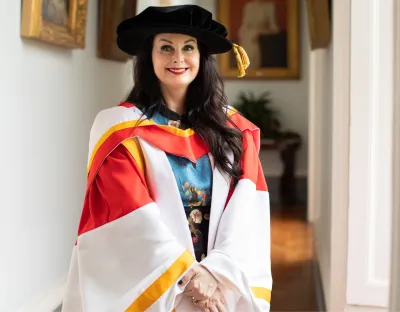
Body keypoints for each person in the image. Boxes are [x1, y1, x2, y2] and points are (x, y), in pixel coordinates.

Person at [62, 5, 272, 312]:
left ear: (202, 57)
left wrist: (215, 272)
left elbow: (246, 212)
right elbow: (128, 215)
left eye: (188, 47)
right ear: (150, 57)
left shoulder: (233, 131)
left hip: (218, 287)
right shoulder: (120, 130)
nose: (178, 58)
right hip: (159, 283)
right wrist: (190, 274)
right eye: (166, 48)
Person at [238, 0, 280, 68]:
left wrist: (260, 32)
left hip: (261, 36)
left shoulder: (270, 6)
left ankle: (255, 68)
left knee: (254, 42)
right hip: (247, 36)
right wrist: (241, 35)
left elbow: (274, 29)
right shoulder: (248, 7)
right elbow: (244, 26)